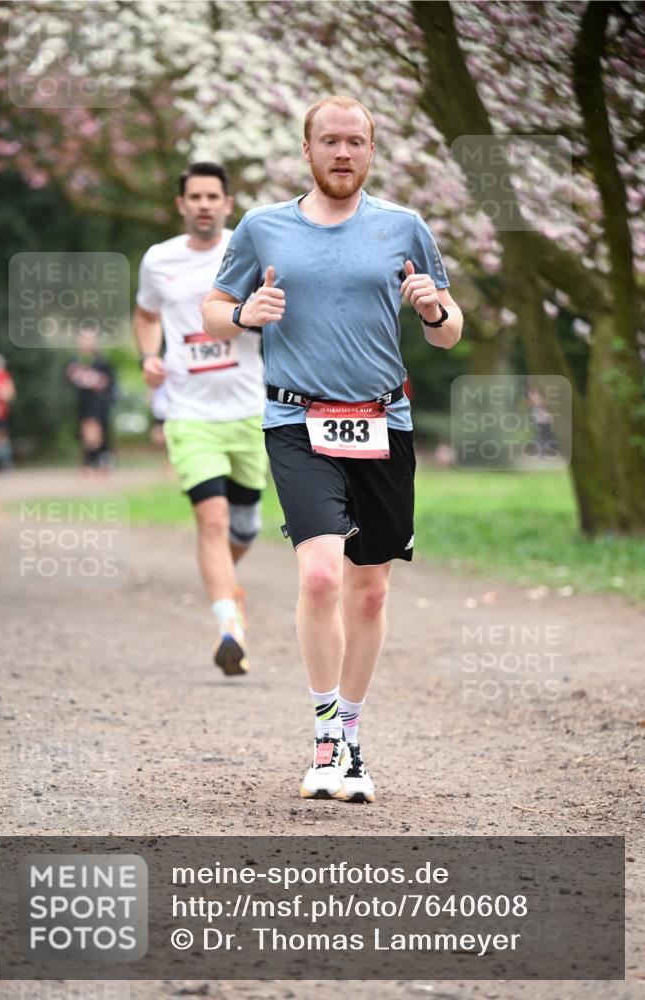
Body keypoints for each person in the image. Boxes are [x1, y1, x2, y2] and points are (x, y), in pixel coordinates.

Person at [203, 96, 463, 802]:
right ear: (307, 150)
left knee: (370, 593)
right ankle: (324, 736)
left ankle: (349, 731)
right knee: (319, 575)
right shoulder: (263, 227)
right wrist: (241, 314)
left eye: (355, 141)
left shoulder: (402, 226)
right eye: (329, 141)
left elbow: (448, 330)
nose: (342, 152)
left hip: (383, 423)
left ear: (370, 151)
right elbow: (212, 310)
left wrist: (432, 308)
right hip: (297, 422)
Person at [134, 162, 267, 677]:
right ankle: (228, 627)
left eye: (214, 196)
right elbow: (146, 316)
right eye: (196, 196)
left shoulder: (250, 250)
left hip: (250, 409)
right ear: (182, 205)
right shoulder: (159, 260)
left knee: (244, 525)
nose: (205, 204)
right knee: (210, 518)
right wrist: (150, 356)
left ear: (228, 204)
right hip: (188, 410)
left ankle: (228, 591)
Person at [65, 326, 117, 474]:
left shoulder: (103, 362)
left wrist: (97, 381)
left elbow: (110, 384)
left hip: (100, 403)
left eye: (90, 338)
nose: (86, 341)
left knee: (97, 432)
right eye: (83, 337)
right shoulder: (74, 362)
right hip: (84, 403)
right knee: (87, 432)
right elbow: (67, 381)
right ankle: (91, 462)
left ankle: (100, 461)